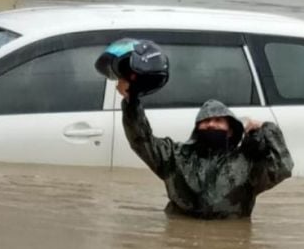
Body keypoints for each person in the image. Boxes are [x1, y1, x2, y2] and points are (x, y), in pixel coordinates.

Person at [116, 44, 294, 220]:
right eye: (205, 121)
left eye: (218, 121)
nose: (211, 125)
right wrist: (132, 102)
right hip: (180, 239)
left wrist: (267, 129)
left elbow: (283, 167)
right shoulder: (175, 157)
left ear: (231, 130)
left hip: (229, 242)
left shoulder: (247, 163)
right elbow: (141, 140)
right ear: (196, 129)